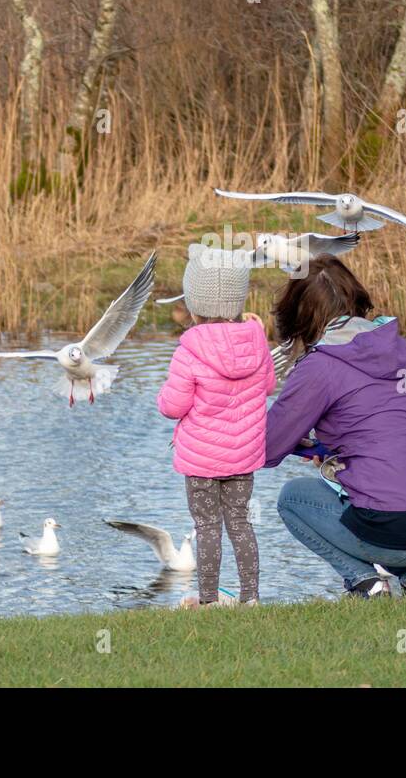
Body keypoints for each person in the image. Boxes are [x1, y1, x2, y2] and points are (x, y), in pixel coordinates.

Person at [264, 257, 406, 598]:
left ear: (300, 315)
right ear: (357, 299)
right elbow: (396, 427)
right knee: (389, 497)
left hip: (394, 529)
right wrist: (324, 446)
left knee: (292, 497)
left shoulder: (321, 366)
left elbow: (266, 448)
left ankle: (365, 582)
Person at [158, 244, 276, 607]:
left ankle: (208, 600)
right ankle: (251, 598)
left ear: (194, 303)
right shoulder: (257, 342)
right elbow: (269, 387)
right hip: (243, 457)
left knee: (208, 527)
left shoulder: (188, 351)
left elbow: (173, 406)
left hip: (201, 462)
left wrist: (163, 397)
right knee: (240, 523)